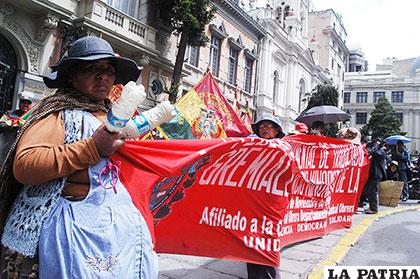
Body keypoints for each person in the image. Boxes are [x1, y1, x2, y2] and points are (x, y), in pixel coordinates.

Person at [0, 36, 158, 278]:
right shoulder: (56, 112)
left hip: (115, 238)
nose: (104, 76)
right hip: (66, 235)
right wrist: (92, 148)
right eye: (92, 69)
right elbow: (25, 165)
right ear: (72, 75)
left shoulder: (112, 115)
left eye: (108, 70)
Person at [247, 113, 284, 279]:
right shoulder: (250, 146)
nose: (264, 129)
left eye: (269, 126)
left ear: (276, 131)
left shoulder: (283, 148)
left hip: (271, 206)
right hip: (252, 203)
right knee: (250, 246)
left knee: (268, 245)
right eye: (261, 126)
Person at [364, 138, 389, 214]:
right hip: (372, 174)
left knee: (373, 191)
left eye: (377, 143)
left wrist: (378, 146)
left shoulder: (381, 152)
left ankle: (374, 209)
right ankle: (371, 206)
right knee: (369, 191)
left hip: (376, 174)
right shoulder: (377, 150)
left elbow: (375, 153)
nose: (375, 144)